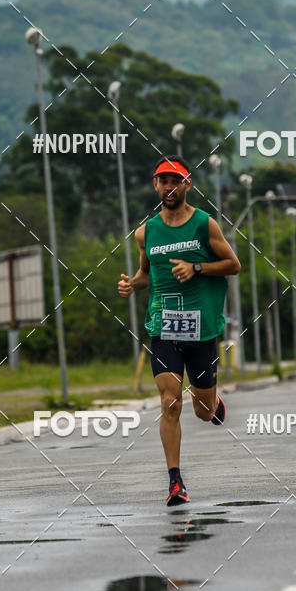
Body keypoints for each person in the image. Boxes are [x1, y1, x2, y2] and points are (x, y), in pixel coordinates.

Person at [118, 155, 241, 505]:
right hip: (164, 326)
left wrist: (196, 268)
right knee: (169, 401)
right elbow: (147, 274)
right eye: (162, 180)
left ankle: (213, 403)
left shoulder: (205, 224)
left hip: (201, 328)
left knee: (202, 411)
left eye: (175, 180)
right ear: (155, 185)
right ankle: (175, 481)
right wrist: (132, 285)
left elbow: (233, 265)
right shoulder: (146, 232)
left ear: (187, 184)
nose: (168, 187)